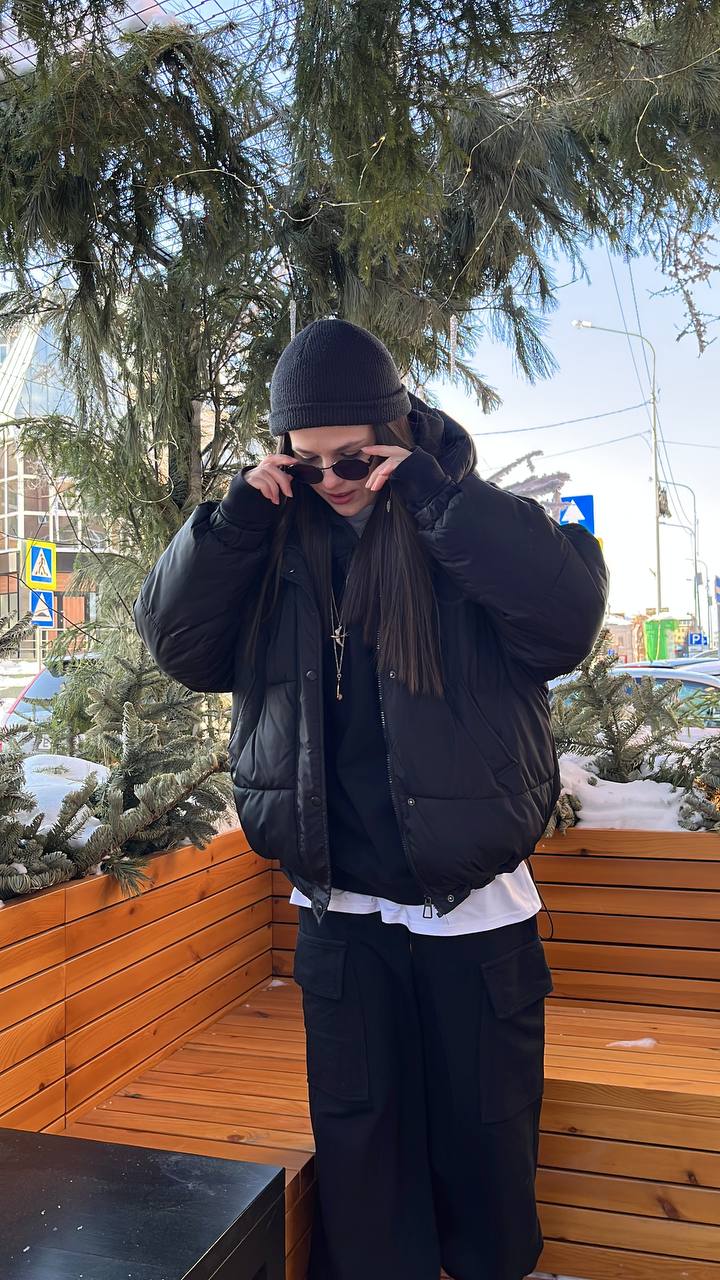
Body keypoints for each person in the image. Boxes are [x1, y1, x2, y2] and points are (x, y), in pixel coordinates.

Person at [134, 318, 608, 1280]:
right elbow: (179, 646)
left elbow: (568, 620)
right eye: (305, 462)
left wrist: (440, 501)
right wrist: (233, 523)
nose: (333, 480)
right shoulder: (270, 545)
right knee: (362, 1175)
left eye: (352, 458)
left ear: (395, 433)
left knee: (485, 1161)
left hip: (471, 913)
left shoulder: (462, 522)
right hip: (340, 910)